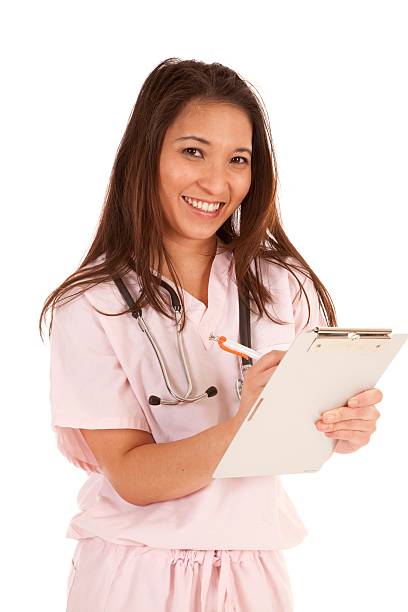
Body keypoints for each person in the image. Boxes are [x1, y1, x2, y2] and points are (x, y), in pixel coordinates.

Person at [39, 58, 383, 612]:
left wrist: (342, 427)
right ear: (146, 154)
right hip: (134, 574)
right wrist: (247, 424)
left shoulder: (279, 284)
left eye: (238, 160)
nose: (217, 183)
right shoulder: (91, 305)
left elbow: (306, 434)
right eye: (193, 151)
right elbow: (132, 475)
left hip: (255, 568)